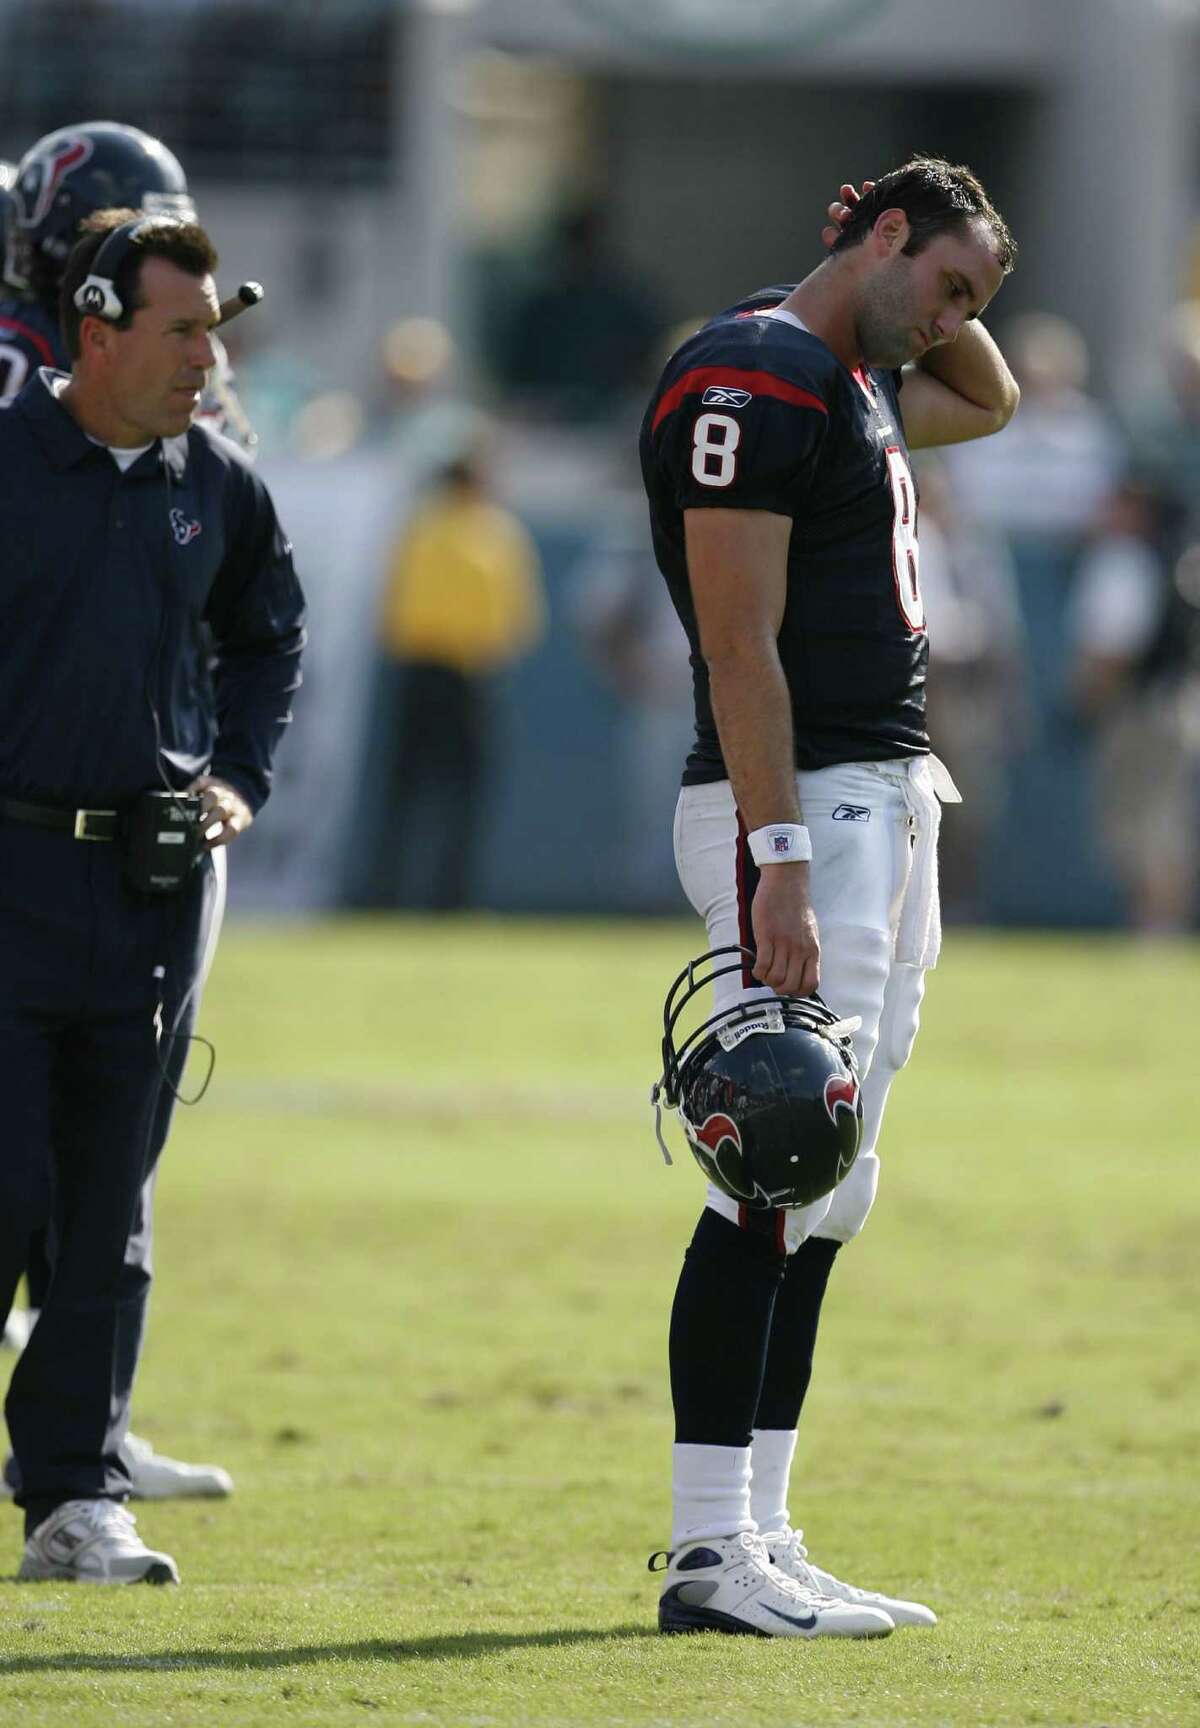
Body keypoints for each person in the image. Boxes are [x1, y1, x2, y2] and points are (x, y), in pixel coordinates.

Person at [639, 158, 1018, 1638]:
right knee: (774, 1157)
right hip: (797, 803)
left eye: (973, 299)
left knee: (829, 1181)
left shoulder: (855, 374)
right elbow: (740, 643)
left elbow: (986, 397)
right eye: (944, 284)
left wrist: (937, 295)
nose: (955, 324)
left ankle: (762, 1527)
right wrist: (780, 855)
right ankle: (702, 1549)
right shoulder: (757, 371)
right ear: (876, 233)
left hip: (882, 798)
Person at [0, 210, 305, 1582]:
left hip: (143, 882)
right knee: (4, 1185)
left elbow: (269, 635)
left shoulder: (220, 485)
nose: (208, 354)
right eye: (184, 329)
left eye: (212, 329)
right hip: (5, 865)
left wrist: (236, 778)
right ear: (99, 328)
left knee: (108, 1207)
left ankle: (75, 1495)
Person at [368, 445, 545, 910]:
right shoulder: (496, 533)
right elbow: (516, 620)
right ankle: (452, 898)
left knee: (404, 791)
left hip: (415, 671)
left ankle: (386, 892)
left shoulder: (418, 527)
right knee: (463, 793)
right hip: (468, 675)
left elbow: (390, 608)